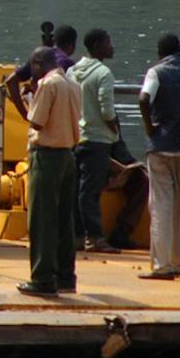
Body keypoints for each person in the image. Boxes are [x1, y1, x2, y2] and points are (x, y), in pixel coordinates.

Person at [137, 32, 180, 280]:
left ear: (160, 53)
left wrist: (149, 128)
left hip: (161, 145)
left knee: (162, 204)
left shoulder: (157, 72)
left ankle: (163, 264)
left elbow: (144, 98)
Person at [16, 47, 82, 297]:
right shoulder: (71, 84)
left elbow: (37, 121)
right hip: (68, 155)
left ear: (37, 64)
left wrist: (27, 99)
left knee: (42, 219)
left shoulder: (48, 84)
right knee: (64, 220)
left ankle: (43, 278)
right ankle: (66, 277)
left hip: (46, 156)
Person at [70, 28, 121, 251]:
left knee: (77, 189)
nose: (111, 47)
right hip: (98, 139)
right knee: (90, 191)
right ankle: (96, 237)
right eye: (109, 42)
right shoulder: (103, 73)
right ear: (99, 45)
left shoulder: (72, 71)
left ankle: (77, 236)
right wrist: (114, 133)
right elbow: (107, 111)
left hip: (76, 137)